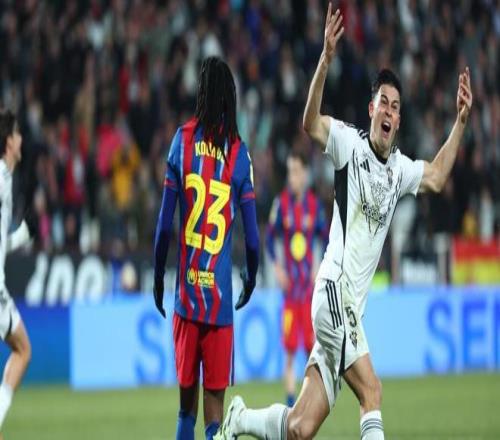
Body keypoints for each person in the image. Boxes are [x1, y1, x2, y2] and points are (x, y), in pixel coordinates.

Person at [216, 4, 473, 439]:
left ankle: (239, 419)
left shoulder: (399, 170)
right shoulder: (349, 145)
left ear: (398, 120)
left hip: (350, 309)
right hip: (333, 292)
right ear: (372, 109)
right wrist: (325, 59)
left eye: (396, 107)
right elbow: (309, 122)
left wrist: (461, 123)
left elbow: (436, 176)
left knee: (300, 429)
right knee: (372, 392)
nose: (389, 111)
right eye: (383, 103)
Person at [152, 57, 259, 440]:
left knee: (186, 412)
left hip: (185, 301)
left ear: (201, 93)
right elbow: (253, 238)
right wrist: (251, 277)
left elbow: (164, 226)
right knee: (215, 423)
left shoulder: (181, 141)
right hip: (219, 304)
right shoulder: (239, 153)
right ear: (230, 97)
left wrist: (158, 278)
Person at [266, 150, 327, 407]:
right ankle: (292, 406)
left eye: (296, 171)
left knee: (312, 352)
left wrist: (318, 265)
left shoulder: (314, 206)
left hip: (310, 293)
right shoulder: (281, 204)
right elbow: (269, 239)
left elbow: (327, 239)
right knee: (290, 352)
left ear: (305, 174)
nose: (292, 177)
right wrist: (278, 268)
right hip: (290, 291)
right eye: (290, 171)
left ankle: (309, 404)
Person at [0, 110, 34, 437]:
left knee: (23, 349)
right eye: (18, 133)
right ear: (9, 141)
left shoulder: (6, 179)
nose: (21, 139)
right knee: (23, 349)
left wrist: (21, 236)